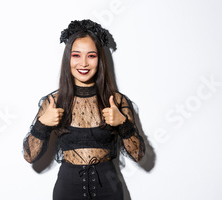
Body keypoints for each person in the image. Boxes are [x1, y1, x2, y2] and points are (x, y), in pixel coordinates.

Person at [22, 19, 145, 200]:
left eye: (91, 55)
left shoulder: (117, 101)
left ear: (100, 59)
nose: (84, 63)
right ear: (68, 58)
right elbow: (29, 156)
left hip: (109, 190)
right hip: (67, 190)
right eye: (76, 55)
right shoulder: (53, 101)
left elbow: (138, 155)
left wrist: (123, 124)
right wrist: (42, 125)